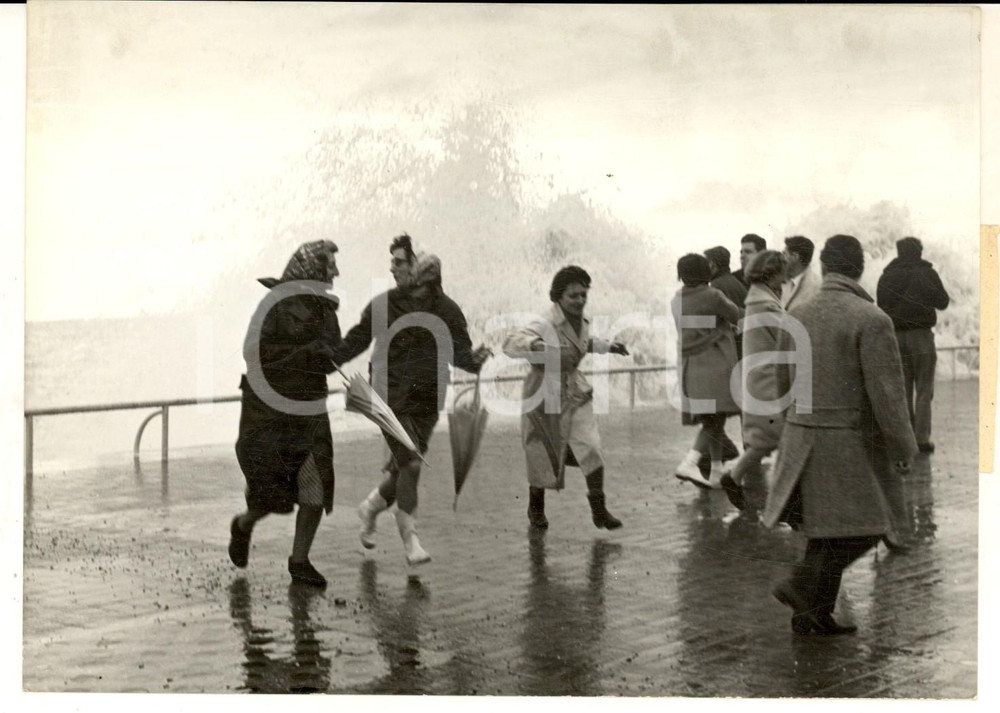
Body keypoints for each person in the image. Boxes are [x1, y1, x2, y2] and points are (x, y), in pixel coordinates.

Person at [763, 235, 917, 635]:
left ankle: (811, 615)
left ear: (827, 268)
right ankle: (799, 586)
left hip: (800, 439)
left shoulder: (796, 314)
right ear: (860, 268)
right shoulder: (871, 318)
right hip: (843, 442)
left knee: (826, 529)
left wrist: (796, 421)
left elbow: (780, 381)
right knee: (870, 525)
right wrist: (903, 447)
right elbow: (888, 395)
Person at [331, 234, 490, 566]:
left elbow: (461, 355)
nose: (393, 268)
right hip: (388, 393)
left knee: (404, 469)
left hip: (428, 398)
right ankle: (410, 542)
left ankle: (370, 507)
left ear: (419, 266)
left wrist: (477, 359)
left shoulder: (447, 309)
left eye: (399, 261)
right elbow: (356, 340)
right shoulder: (384, 304)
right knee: (412, 463)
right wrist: (327, 359)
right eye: (392, 261)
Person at [229, 240, 343, 588]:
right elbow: (252, 352)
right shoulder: (272, 305)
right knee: (272, 495)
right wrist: (306, 355)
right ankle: (243, 525)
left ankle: (299, 560)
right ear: (312, 268)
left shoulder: (326, 310)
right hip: (271, 412)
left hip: (310, 411)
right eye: (329, 265)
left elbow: (332, 355)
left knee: (316, 484)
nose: (335, 272)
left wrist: (329, 356)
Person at [503, 266, 629, 530]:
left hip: (574, 391)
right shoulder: (543, 322)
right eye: (574, 296)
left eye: (584, 294)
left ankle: (599, 509)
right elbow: (511, 342)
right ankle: (535, 505)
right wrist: (536, 346)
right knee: (543, 454)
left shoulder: (581, 320)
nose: (580, 300)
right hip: (544, 393)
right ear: (558, 297)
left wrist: (609, 347)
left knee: (591, 447)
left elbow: (584, 342)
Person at [719, 250, 788, 511]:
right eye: (781, 273)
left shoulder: (758, 300)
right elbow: (787, 337)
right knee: (780, 436)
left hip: (760, 378)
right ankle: (791, 496)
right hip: (768, 381)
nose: (784, 279)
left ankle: (734, 478)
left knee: (766, 440)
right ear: (772, 273)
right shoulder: (766, 304)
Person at [671, 253, 742, 490]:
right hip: (715, 364)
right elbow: (735, 315)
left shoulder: (676, 300)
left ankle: (716, 471)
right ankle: (690, 461)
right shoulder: (712, 295)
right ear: (705, 272)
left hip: (692, 367)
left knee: (714, 419)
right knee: (713, 421)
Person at [876, 237, 951, 454]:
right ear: (918, 251)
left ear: (899, 252)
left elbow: (881, 305)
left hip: (896, 336)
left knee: (904, 388)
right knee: (924, 388)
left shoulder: (887, 275)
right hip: (921, 336)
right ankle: (922, 439)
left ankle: (906, 436)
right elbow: (943, 302)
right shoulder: (927, 273)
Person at [781, 235, 821, 311]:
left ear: (795, 257)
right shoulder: (777, 279)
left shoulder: (818, 286)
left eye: (784, 254)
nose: (781, 258)